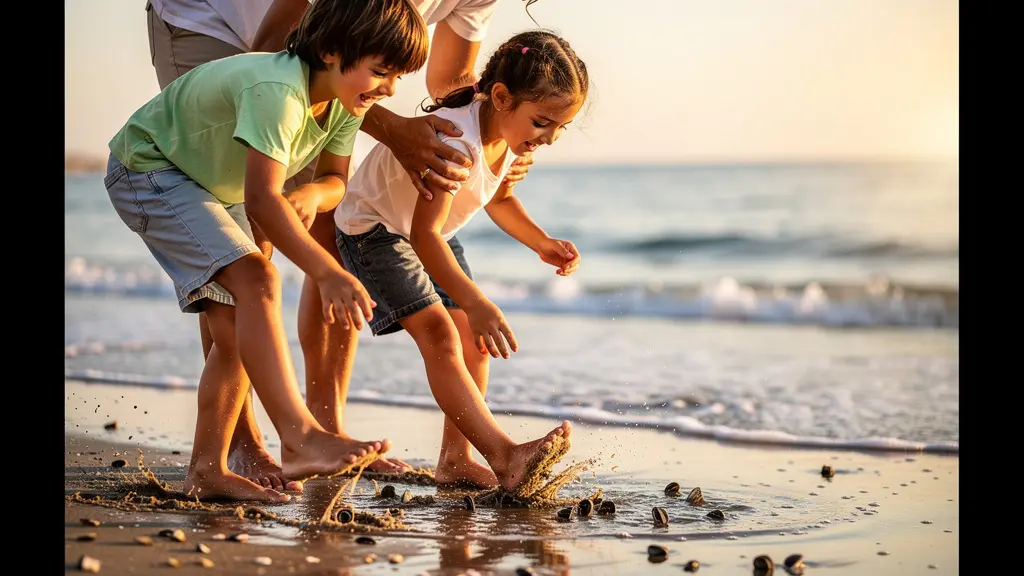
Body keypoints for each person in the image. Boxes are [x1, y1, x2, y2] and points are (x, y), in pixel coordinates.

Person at [144, 0, 538, 482]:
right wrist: (392, 127)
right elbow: (274, 53)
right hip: (219, 23)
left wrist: (498, 134)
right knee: (248, 248)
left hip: (332, 66)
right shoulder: (301, 70)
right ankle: (241, 445)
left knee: (329, 223)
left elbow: (450, 77)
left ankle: (322, 436)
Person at [105, 0, 432, 502]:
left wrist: (313, 194)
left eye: (397, 78)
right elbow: (261, 198)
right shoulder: (277, 91)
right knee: (258, 280)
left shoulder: (344, 101)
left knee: (237, 324)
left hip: (209, 186)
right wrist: (326, 271)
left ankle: (206, 468)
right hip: (149, 169)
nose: (388, 90)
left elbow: (335, 181)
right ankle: (299, 437)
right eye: (381, 72)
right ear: (329, 51)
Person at [335, 30, 589, 490]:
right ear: (501, 97)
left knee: (474, 342)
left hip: (429, 232)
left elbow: (500, 199)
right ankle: (504, 454)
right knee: (440, 333)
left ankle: (455, 459)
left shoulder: (507, 139)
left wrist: (540, 242)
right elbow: (422, 235)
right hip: (374, 230)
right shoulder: (457, 141)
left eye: (558, 128)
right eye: (542, 123)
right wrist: (474, 303)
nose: (548, 139)